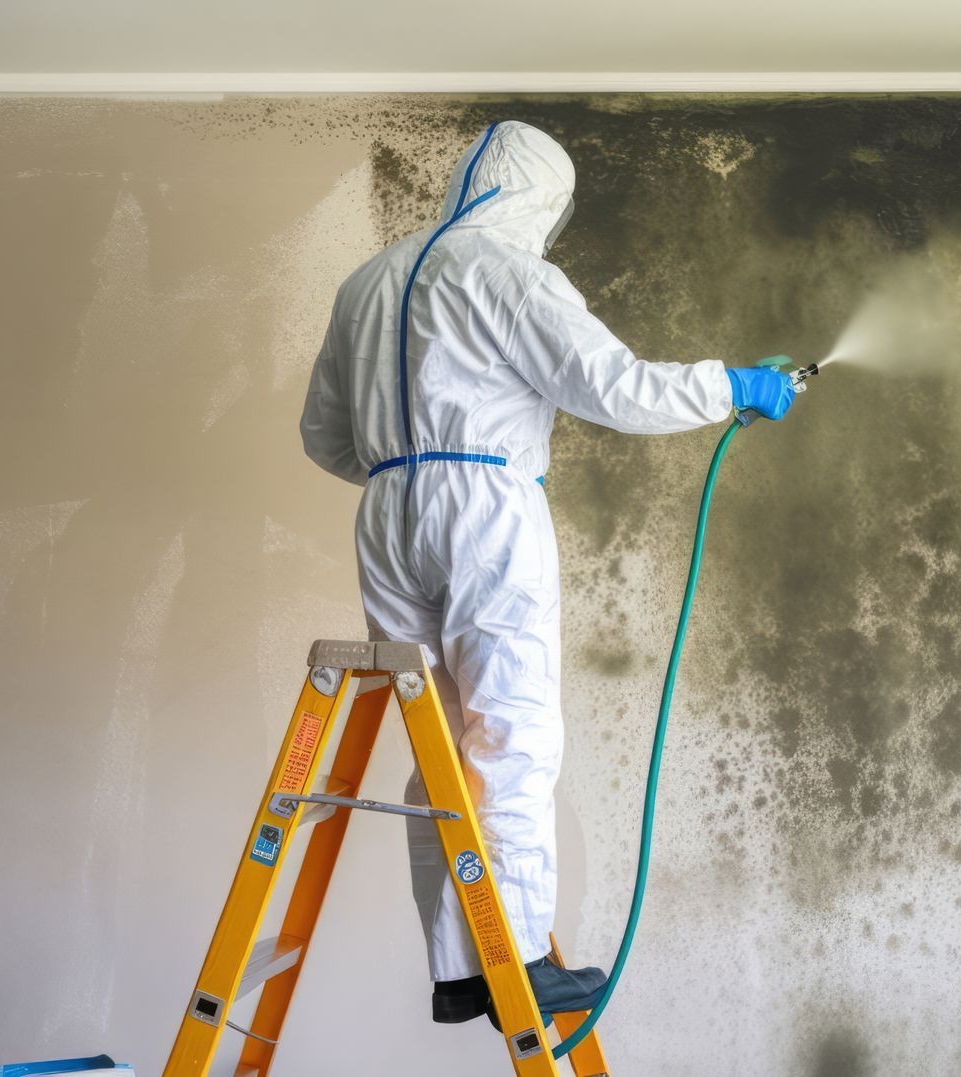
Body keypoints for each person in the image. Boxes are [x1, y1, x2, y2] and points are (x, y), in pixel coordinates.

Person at [299, 119, 795, 1026]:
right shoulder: (510, 273)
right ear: (541, 198)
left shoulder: (364, 284)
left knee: (442, 751)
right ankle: (517, 963)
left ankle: (459, 966)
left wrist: (402, 468)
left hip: (386, 508)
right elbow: (617, 389)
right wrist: (734, 386)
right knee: (512, 736)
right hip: (485, 507)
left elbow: (321, 437)